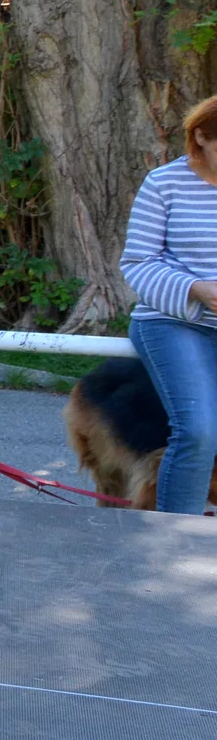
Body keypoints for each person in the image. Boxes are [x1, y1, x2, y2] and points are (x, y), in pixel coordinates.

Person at [118, 94, 217, 514]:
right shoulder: (164, 183)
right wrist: (197, 289)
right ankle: (178, 541)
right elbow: (137, 263)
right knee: (197, 432)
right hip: (174, 323)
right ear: (200, 137)